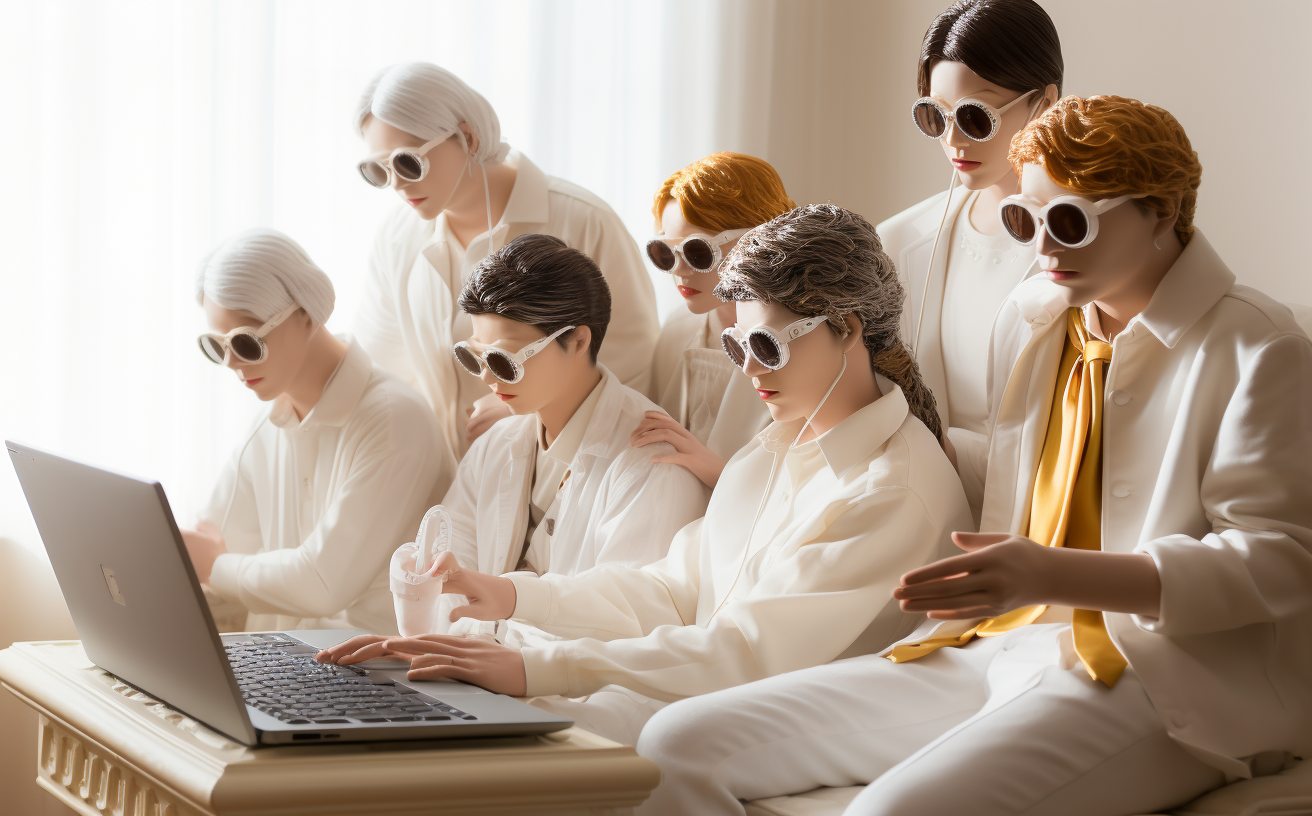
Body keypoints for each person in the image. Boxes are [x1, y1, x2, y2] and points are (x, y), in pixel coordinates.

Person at [632, 96, 1312, 816]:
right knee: (673, 743)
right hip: (994, 642)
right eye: (1026, 219)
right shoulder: (1031, 323)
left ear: (1162, 212)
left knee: (889, 813)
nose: (1043, 248)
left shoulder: (1261, 346)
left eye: (1070, 221)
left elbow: (1282, 557)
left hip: (1156, 674)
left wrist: (1052, 571)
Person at [319, 205, 972, 748]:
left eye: (766, 346)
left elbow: (745, 651)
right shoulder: (771, 448)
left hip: (816, 716)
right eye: (736, 346)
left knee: (542, 729)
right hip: (738, 686)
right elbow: (674, 589)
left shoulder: (889, 488)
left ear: (847, 328)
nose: (749, 370)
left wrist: (530, 665)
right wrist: (514, 597)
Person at [350, 62, 659, 460]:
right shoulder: (397, 238)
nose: (396, 184)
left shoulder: (582, 220)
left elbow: (633, 361)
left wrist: (529, 404)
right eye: (377, 170)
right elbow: (386, 370)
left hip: (568, 477)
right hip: (451, 477)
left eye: (408, 162)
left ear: (467, 138)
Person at [419, 233, 707, 637]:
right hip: (472, 683)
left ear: (577, 341)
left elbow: (627, 623)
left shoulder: (652, 463)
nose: (485, 377)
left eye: (504, 361)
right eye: (475, 356)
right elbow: (442, 582)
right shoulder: (494, 445)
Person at [180, 229, 453, 635]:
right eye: (217, 347)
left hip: (378, 672)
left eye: (246, 344)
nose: (234, 365)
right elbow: (208, 536)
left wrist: (215, 566)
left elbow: (322, 584)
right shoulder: (269, 422)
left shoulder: (393, 422)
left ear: (305, 314)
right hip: (286, 659)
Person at [878, 0, 1062, 515]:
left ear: (1043, 102)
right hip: (910, 517)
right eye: (934, 115)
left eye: (976, 117)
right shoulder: (895, 242)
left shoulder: (1090, 247)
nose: (953, 139)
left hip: (1033, 531)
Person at [634, 152, 786, 489]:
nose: (678, 271)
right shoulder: (677, 328)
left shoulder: (798, 340)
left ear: (760, 236)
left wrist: (710, 467)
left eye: (698, 253)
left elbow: (797, 492)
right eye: (665, 253)